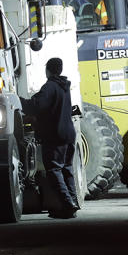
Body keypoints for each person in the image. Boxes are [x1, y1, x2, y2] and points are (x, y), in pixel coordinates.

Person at [20, 57, 79, 219]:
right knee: (67, 169)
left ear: (48, 70)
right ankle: (73, 203)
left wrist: (17, 100)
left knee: (54, 170)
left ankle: (67, 205)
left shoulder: (50, 87)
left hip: (55, 135)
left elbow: (35, 106)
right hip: (69, 133)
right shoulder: (64, 87)